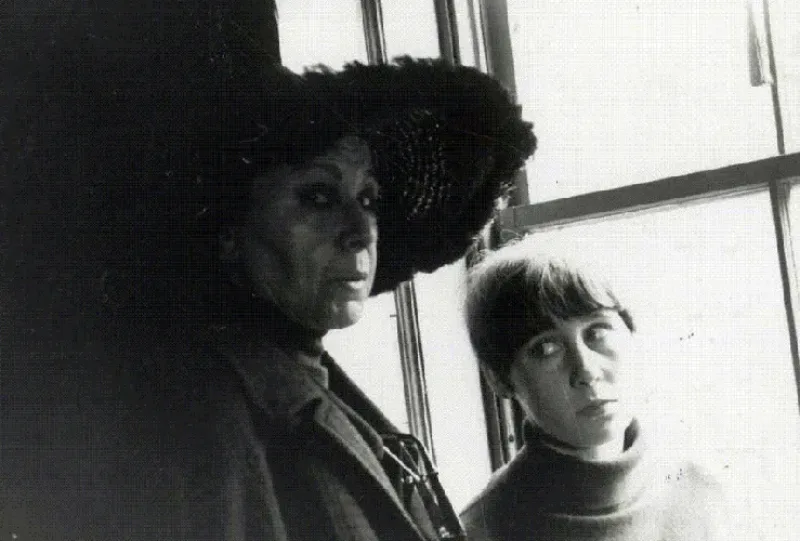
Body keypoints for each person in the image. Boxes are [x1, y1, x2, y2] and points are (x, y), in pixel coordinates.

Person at [0, 57, 535, 540]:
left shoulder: (312, 384)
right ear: (228, 228)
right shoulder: (204, 420)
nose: (361, 230)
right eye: (319, 196)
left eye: (368, 198)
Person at [459, 241, 729, 541]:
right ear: (499, 379)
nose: (586, 370)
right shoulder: (481, 531)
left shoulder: (704, 492)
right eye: (546, 348)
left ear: (630, 333)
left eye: (597, 332)